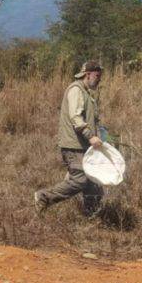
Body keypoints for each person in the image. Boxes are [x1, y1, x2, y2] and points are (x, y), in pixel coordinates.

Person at [34, 60, 105, 217]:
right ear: (88, 74)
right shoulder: (76, 90)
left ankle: (92, 216)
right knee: (80, 180)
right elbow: (76, 117)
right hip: (74, 146)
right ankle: (44, 197)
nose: (100, 79)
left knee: (93, 182)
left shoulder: (86, 93)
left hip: (84, 145)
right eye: (97, 75)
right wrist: (90, 136)